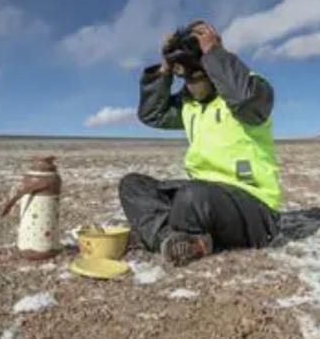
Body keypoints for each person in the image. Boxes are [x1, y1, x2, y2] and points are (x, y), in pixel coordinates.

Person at [119, 20, 283, 266]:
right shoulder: (189, 105)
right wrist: (164, 70)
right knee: (132, 186)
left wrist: (214, 52)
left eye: (197, 77)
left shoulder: (251, 90)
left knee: (192, 197)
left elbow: (243, 98)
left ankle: (166, 234)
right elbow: (152, 114)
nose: (192, 87)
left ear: (211, 70)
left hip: (255, 209)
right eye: (186, 79)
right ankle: (176, 241)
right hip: (203, 199)